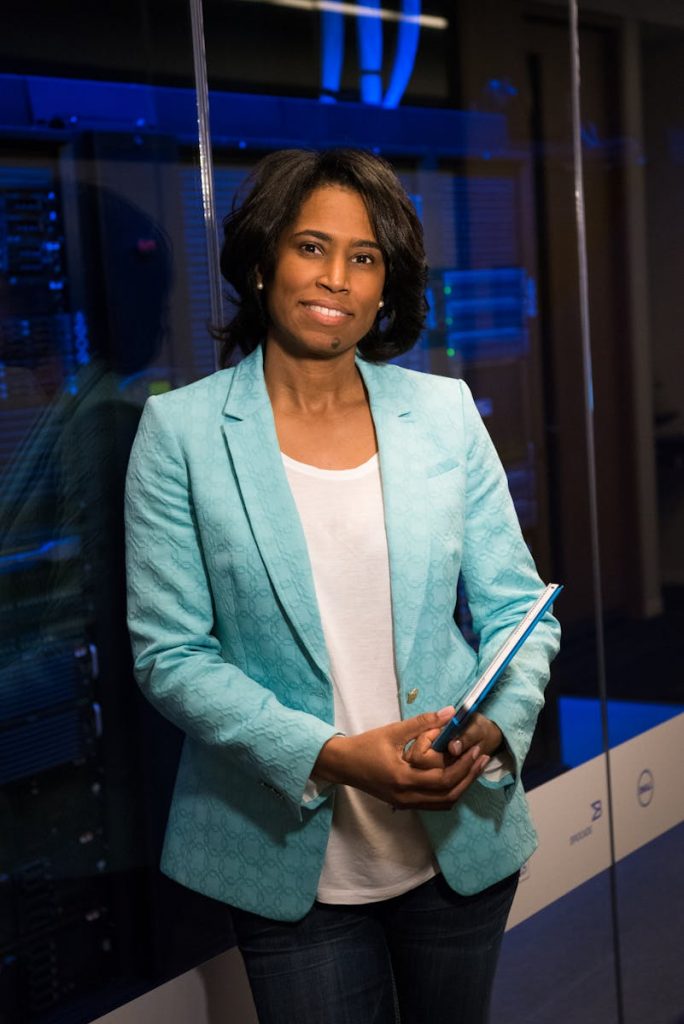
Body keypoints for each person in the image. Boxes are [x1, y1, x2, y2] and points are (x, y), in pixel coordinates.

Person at [124, 148, 560, 1024]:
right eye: (311, 246)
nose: (336, 278)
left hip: (458, 837)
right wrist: (327, 755)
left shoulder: (442, 413)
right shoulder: (181, 431)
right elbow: (170, 655)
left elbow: (520, 610)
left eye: (364, 258)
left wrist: (495, 735)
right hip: (287, 855)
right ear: (260, 263)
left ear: (386, 284)